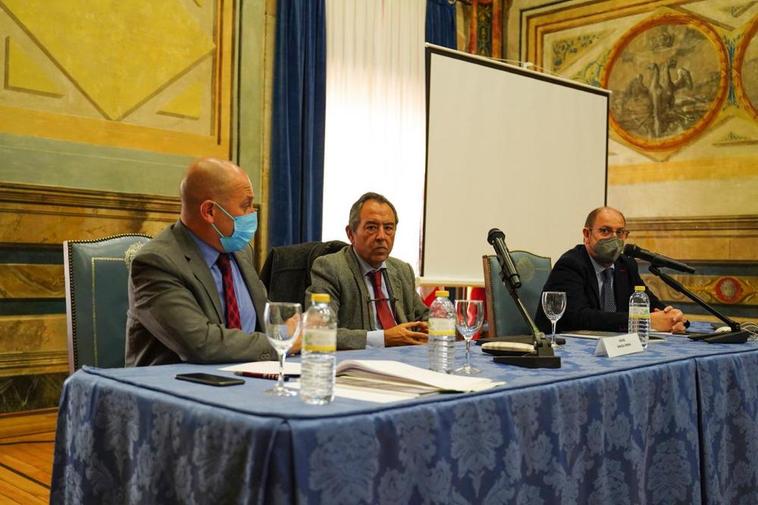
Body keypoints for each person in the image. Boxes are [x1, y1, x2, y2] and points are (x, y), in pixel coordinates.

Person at [126, 158, 280, 366]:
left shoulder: (240, 251)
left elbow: (270, 321)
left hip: (246, 377)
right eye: (245, 205)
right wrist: (282, 341)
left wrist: (308, 331)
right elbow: (202, 344)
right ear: (209, 212)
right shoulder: (156, 263)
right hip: (178, 387)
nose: (253, 213)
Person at [535, 206, 687, 334]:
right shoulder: (571, 264)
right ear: (587, 235)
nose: (614, 239)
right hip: (565, 347)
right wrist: (644, 321)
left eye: (620, 232)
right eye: (605, 231)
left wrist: (673, 318)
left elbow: (650, 304)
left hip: (613, 346)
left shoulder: (626, 265)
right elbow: (578, 317)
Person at [306, 192, 429, 349]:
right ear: (351, 234)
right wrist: (383, 338)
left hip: (406, 359)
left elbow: (424, 316)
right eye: (372, 227)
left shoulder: (402, 270)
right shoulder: (329, 268)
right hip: (358, 364)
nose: (381, 236)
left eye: (388, 228)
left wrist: (433, 327)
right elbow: (319, 333)